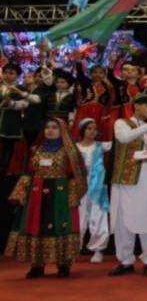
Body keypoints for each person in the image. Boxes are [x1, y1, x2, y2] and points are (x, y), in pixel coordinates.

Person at [5, 118, 86, 278]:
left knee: (60, 226)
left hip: (60, 195)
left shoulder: (69, 151)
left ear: (62, 130)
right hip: (36, 195)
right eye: (47, 127)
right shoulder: (36, 149)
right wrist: (21, 192)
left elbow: (75, 175)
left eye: (54, 127)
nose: (50, 130)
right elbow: (28, 173)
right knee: (36, 226)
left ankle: (63, 265)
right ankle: (37, 266)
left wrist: (73, 195)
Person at [109, 94, 147, 277]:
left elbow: (142, 153)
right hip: (124, 179)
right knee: (123, 220)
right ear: (136, 105)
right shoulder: (121, 123)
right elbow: (124, 138)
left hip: (146, 176)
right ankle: (126, 260)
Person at [76, 118, 111, 264]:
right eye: (89, 128)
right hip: (79, 186)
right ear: (82, 130)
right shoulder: (75, 147)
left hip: (97, 187)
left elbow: (123, 142)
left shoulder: (102, 146)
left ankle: (98, 250)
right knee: (78, 217)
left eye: (94, 128)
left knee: (99, 216)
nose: (92, 131)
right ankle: (74, 249)